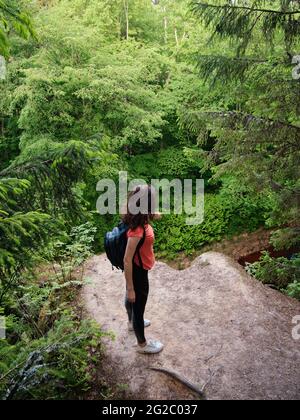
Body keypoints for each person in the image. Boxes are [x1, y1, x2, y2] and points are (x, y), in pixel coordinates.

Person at [122, 185, 164, 354]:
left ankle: (132, 323)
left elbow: (148, 215)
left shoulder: (133, 215)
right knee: (138, 306)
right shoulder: (137, 231)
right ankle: (142, 344)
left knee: (131, 300)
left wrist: (153, 215)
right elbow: (127, 260)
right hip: (138, 271)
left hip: (138, 268)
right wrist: (131, 287)